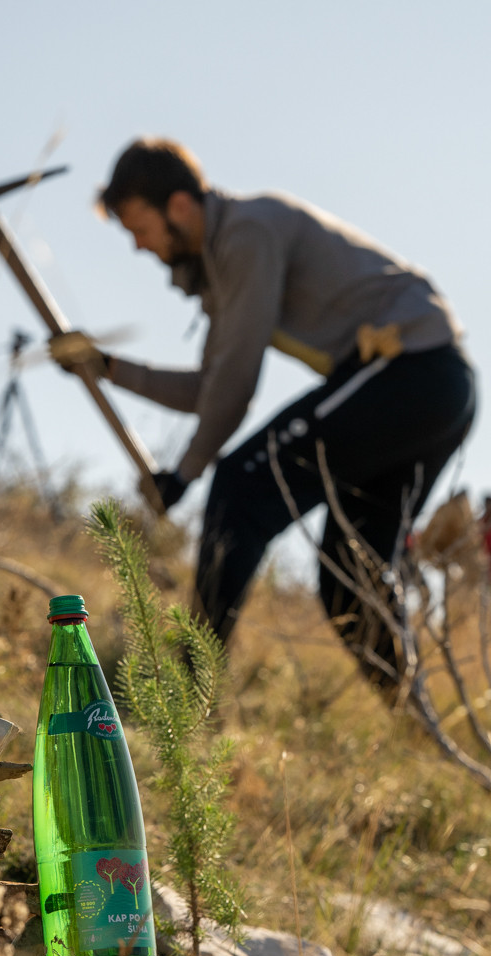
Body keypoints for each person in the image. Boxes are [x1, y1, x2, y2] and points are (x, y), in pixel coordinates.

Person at [49, 137, 476, 696]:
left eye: (139, 227)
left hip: (414, 371)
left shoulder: (247, 233)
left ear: (179, 205)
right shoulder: (227, 263)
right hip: (422, 390)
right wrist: (105, 366)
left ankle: (188, 693)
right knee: (351, 577)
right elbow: (211, 389)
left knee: (242, 485)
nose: (137, 246)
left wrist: (185, 474)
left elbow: (235, 384)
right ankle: (414, 721)